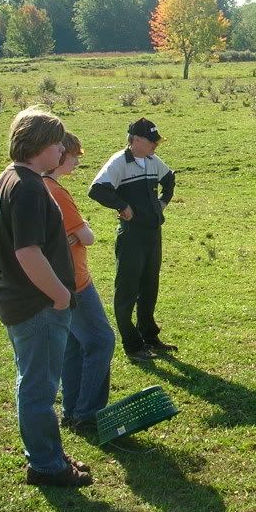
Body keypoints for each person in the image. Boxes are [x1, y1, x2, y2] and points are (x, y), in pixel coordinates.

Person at [0, 106, 92, 487]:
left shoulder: (7, 179)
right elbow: (27, 252)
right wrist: (61, 295)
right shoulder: (30, 188)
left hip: (19, 300)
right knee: (39, 387)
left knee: (31, 380)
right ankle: (47, 466)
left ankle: (47, 454)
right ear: (40, 146)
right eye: (57, 144)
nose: (62, 152)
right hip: (37, 305)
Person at [43, 131, 116, 433]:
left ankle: (72, 410)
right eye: (72, 155)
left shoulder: (41, 185)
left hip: (59, 280)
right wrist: (82, 227)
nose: (75, 161)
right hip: (75, 281)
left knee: (74, 346)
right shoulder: (57, 192)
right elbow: (88, 236)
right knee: (101, 341)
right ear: (58, 156)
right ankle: (88, 413)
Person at [89, 117, 177, 362]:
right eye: (152, 141)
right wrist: (122, 205)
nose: (155, 146)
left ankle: (150, 336)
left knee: (150, 286)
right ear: (136, 140)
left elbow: (169, 178)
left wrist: (162, 203)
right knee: (127, 290)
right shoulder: (118, 162)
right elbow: (96, 189)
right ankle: (132, 345)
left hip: (152, 234)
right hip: (131, 237)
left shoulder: (151, 160)